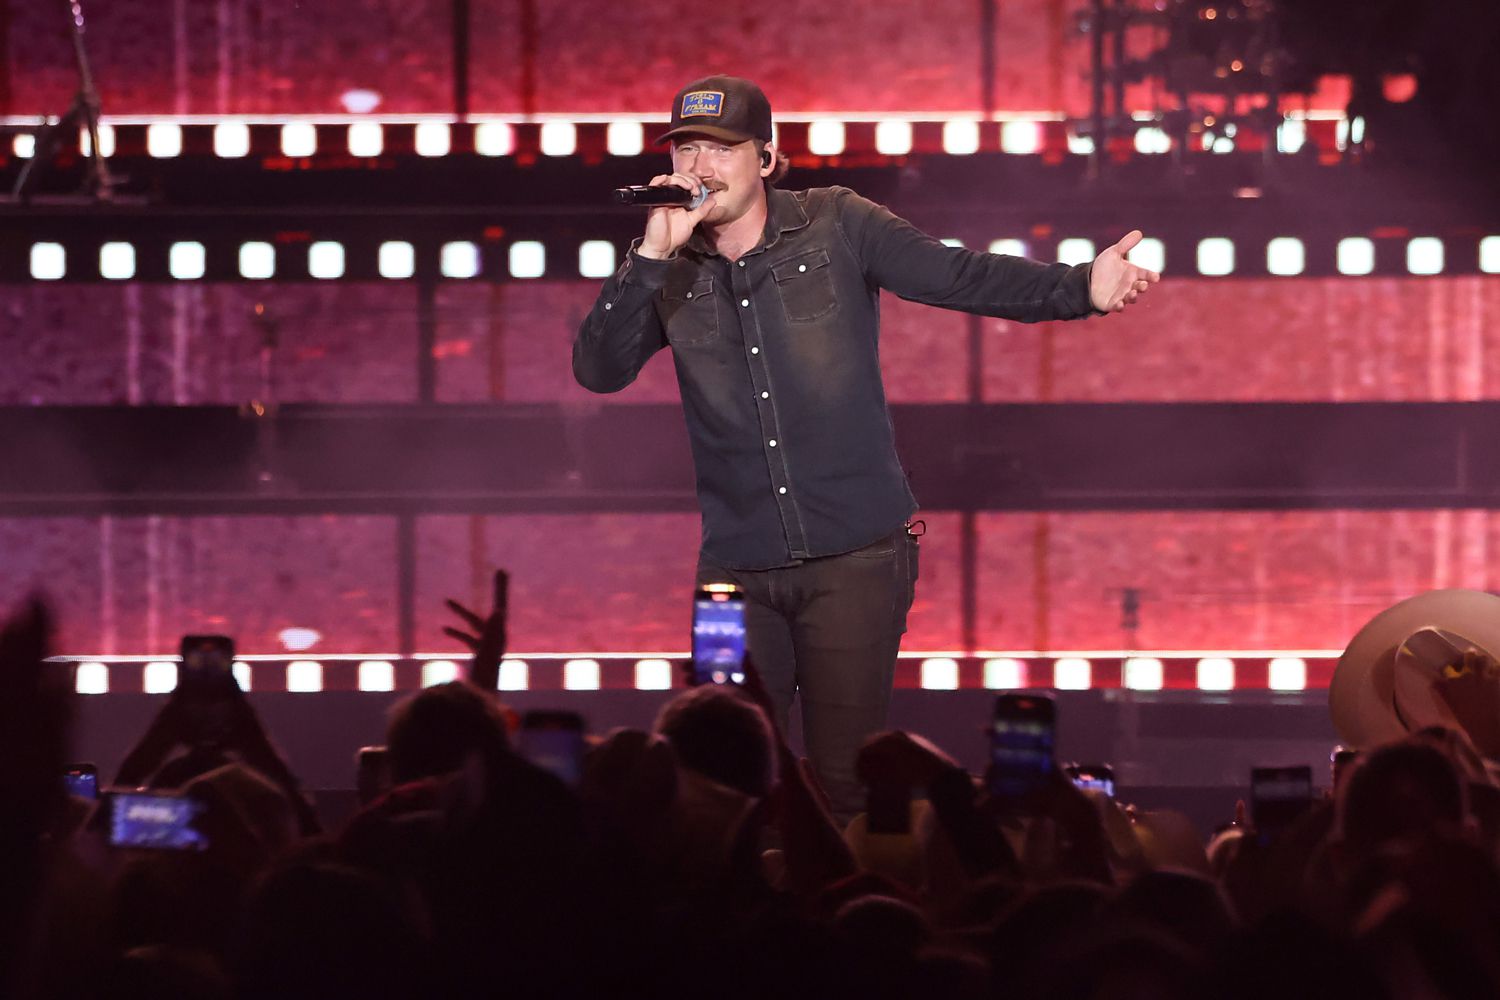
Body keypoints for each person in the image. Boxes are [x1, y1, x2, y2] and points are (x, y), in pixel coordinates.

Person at [573, 75, 1159, 820]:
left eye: (721, 149)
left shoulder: (836, 224)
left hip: (854, 554)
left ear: (767, 157)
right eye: (687, 148)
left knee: (845, 782)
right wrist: (651, 256)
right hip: (735, 566)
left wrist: (1081, 288)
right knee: (718, 783)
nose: (700, 167)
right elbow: (597, 371)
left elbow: (959, 275)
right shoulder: (670, 266)